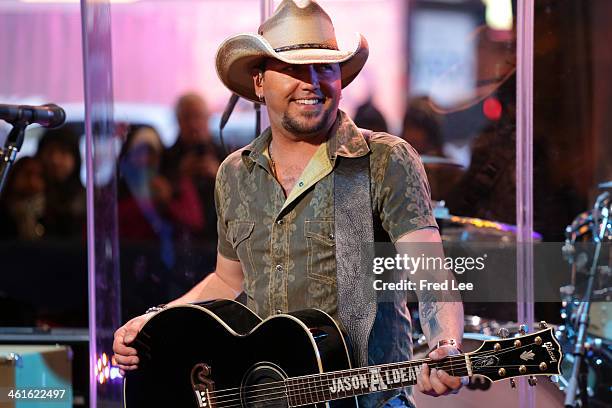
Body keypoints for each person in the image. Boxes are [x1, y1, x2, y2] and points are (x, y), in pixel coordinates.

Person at [114, 1, 464, 406]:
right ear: (260, 83)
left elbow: (430, 272)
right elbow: (229, 281)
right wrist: (157, 319)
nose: (311, 82)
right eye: (294, 68)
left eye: (325, 67)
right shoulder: (235, 174)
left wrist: (447, 344)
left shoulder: (385, 159)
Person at [160, 92, 225, 247]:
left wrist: (220, 176)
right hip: (178, 241)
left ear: (208, 118)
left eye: (198, 117)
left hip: (217, 240)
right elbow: (159, 199)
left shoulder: (225, 155)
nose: (194, 124)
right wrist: (180, 176)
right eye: (187, 117)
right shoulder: (166, 157)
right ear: (178, 121)